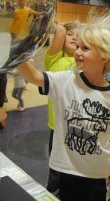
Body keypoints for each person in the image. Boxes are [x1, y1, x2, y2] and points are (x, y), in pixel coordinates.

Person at [18, 9, 110, 201]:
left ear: (104, 56)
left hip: (98, 174)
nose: (77, 52)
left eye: (85, 49)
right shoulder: (64, 81)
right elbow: (33, 76)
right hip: (65, 170)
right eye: (78, 46)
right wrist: (17, 48)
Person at [45, 22, 79, 195]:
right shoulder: (54, 59)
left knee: (72, 170)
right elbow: (59, 31)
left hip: (76, 126)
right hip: (57, 127)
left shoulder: (83, 60)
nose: (75, 37)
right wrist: (65, 28)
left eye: (78, 36)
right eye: (71, 34)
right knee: (55, 172)